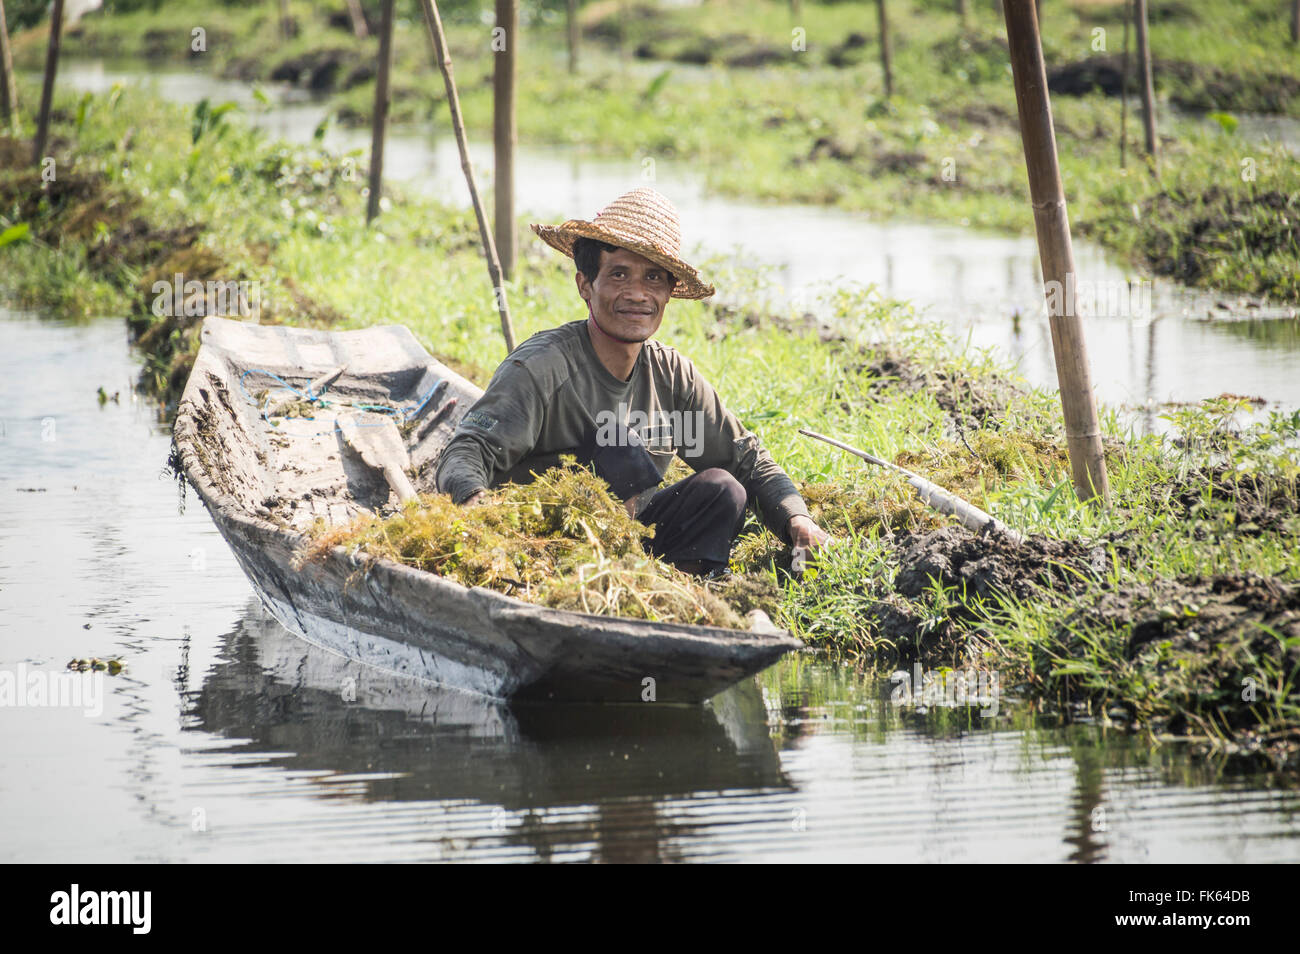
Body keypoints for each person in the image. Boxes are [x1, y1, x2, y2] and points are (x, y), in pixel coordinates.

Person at [435, 187, 829, 577]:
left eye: (654, 278)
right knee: (618, 440)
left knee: (723, 491)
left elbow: (745, 460)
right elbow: (468, 450)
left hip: (633, 543)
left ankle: (684, 585)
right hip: (541, 540)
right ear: (585, 285)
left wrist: (798, 520)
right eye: (619, 274)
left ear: (670, 293)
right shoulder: (541, 368)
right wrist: (477, 512)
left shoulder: (671, 377)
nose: (638, 294)